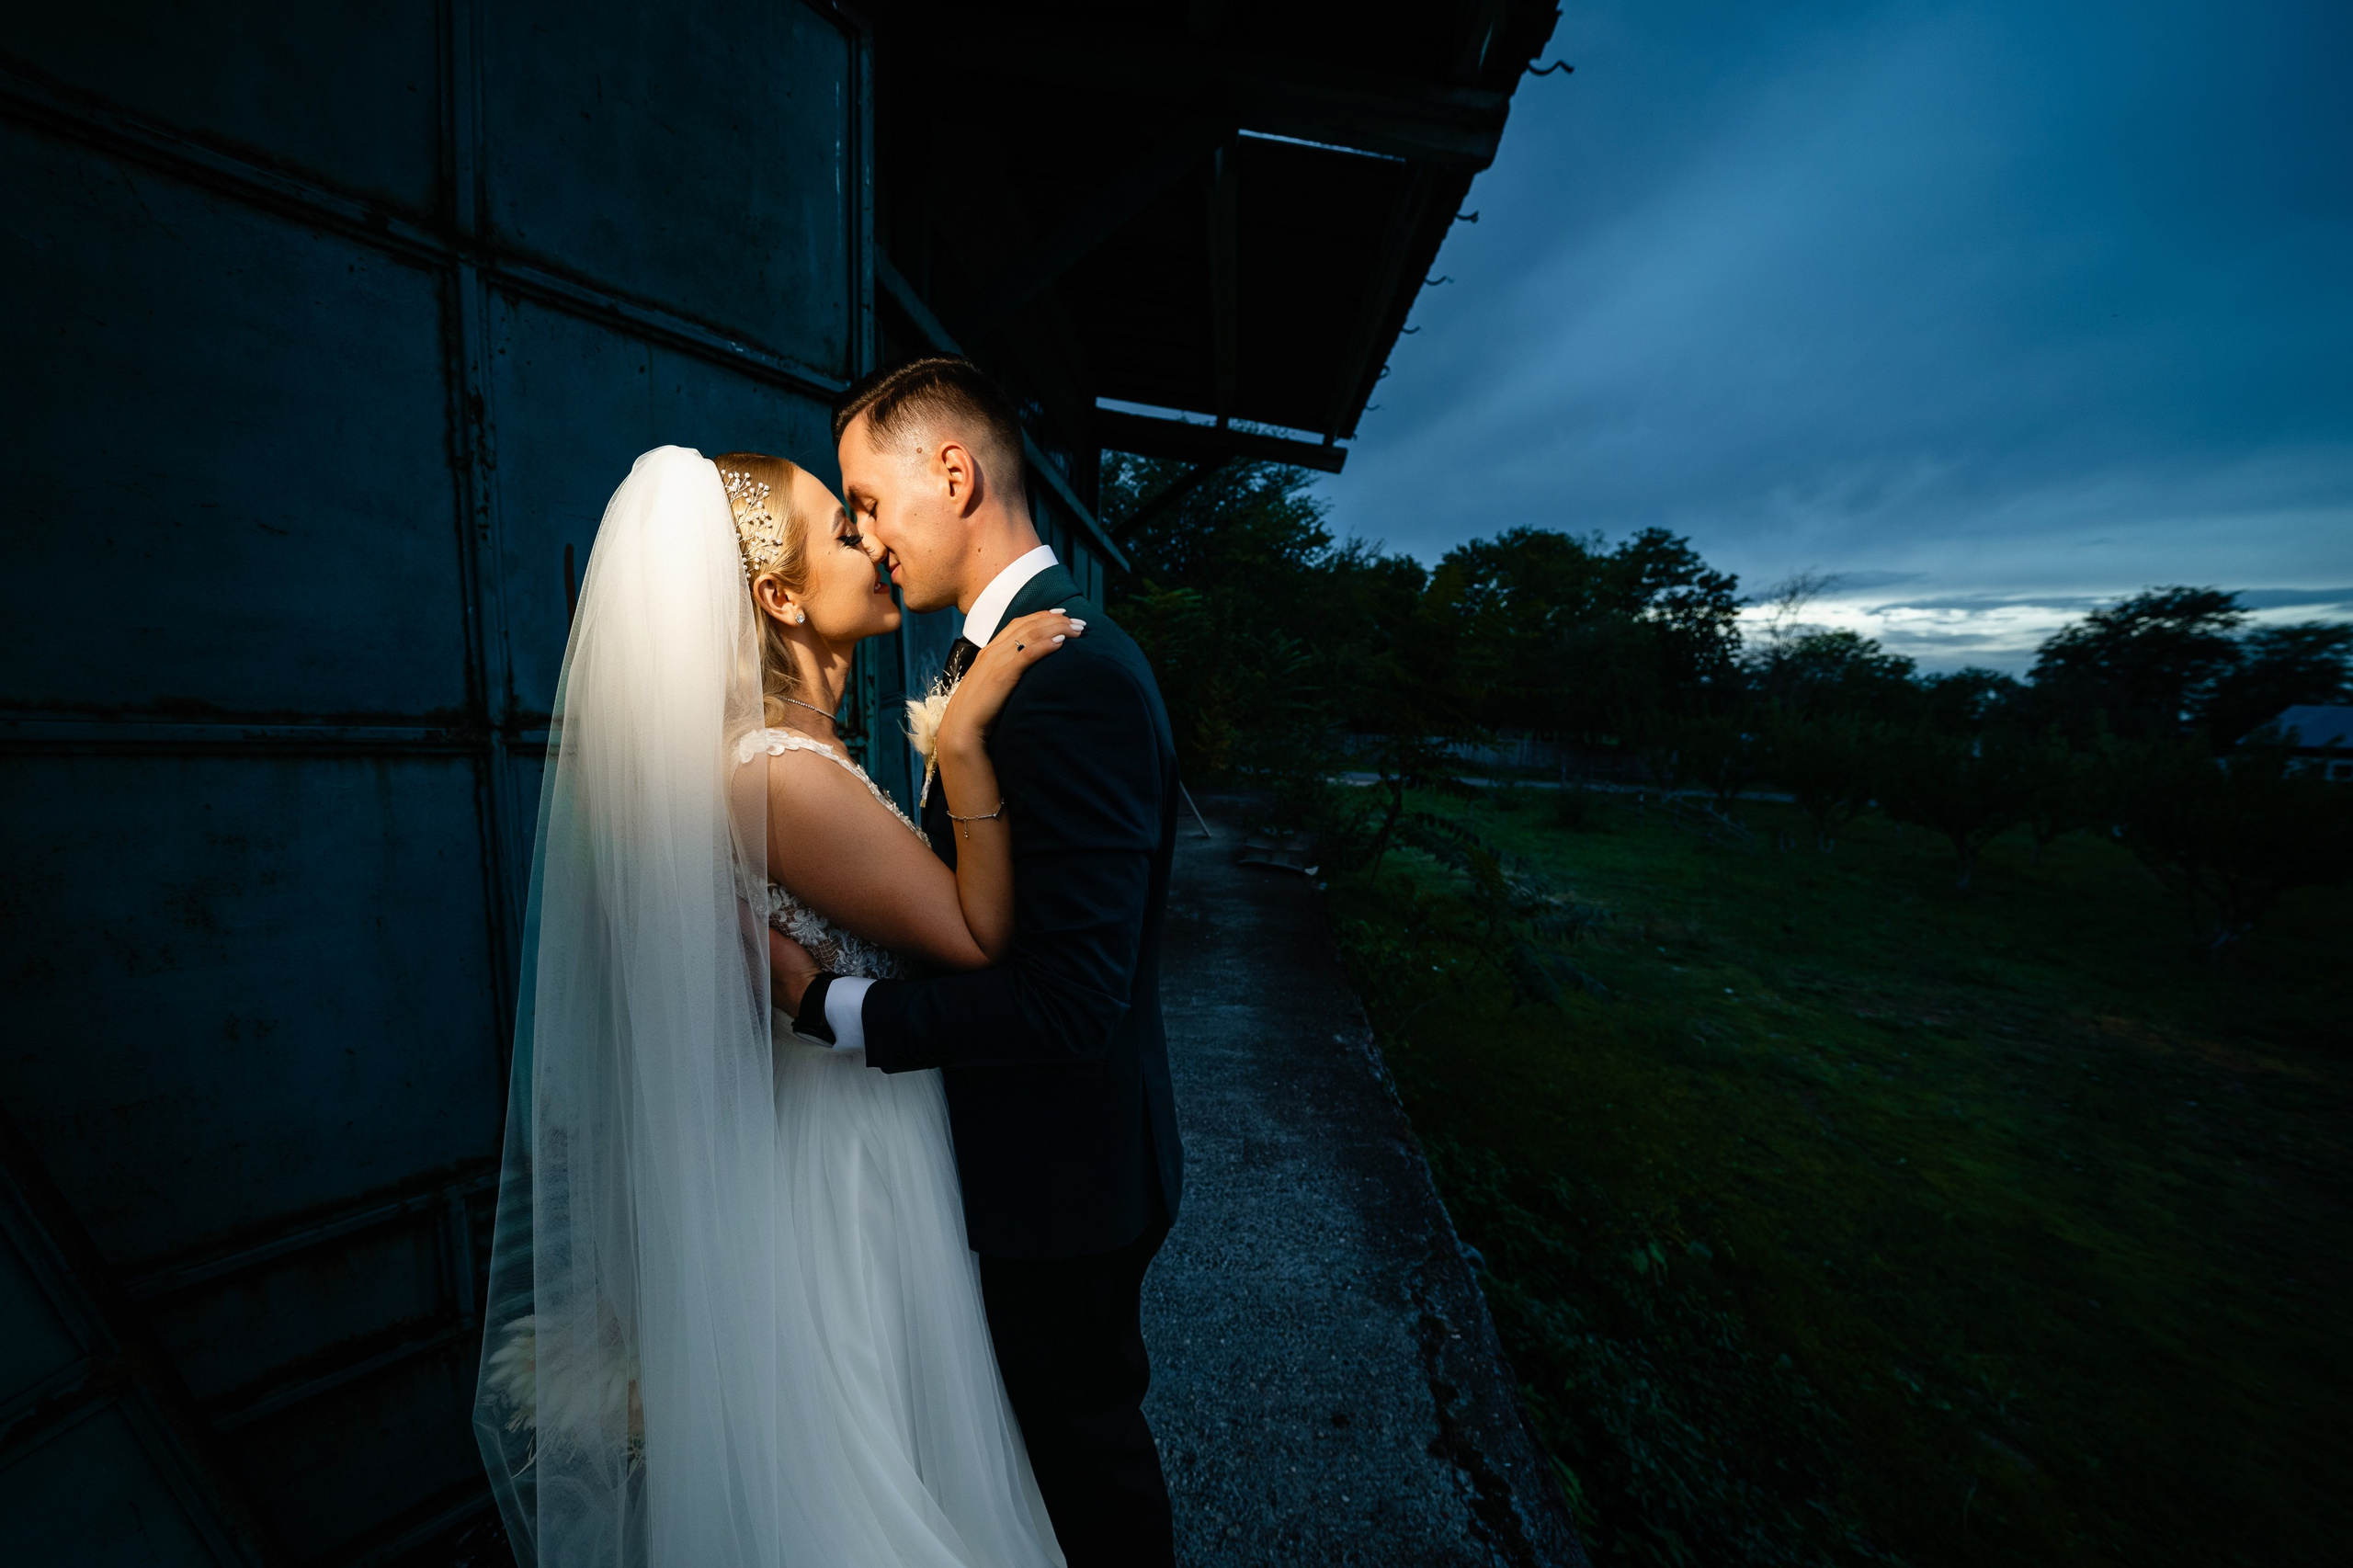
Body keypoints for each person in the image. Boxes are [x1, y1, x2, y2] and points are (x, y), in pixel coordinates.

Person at [473, 441, 1083, 1566]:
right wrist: (961, 740)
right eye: (845, 529)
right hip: (845, 1164)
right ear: (780, 596)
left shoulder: (791, 753)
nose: (874, 540)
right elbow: (975, 939)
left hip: (857, 1132)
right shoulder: (776, 774)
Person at [771, 357, 1185, 1568]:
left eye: (867, 499)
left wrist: (829, 1006)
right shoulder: (1000, 654)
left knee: (1084, 1479)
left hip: (1059, 1178)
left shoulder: (1068, 678)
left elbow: (1070, 1001)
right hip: (1024, 1161)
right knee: (1026, 1474)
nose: (864, 534)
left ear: (952, 474)